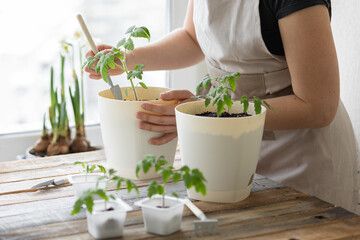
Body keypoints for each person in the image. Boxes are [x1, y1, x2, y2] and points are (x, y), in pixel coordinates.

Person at [85, 0, 360, 214]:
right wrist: (128, 59)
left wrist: (207, 114)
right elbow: (194, 39)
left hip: (301, 157)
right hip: (229, 150)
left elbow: (317, 107)